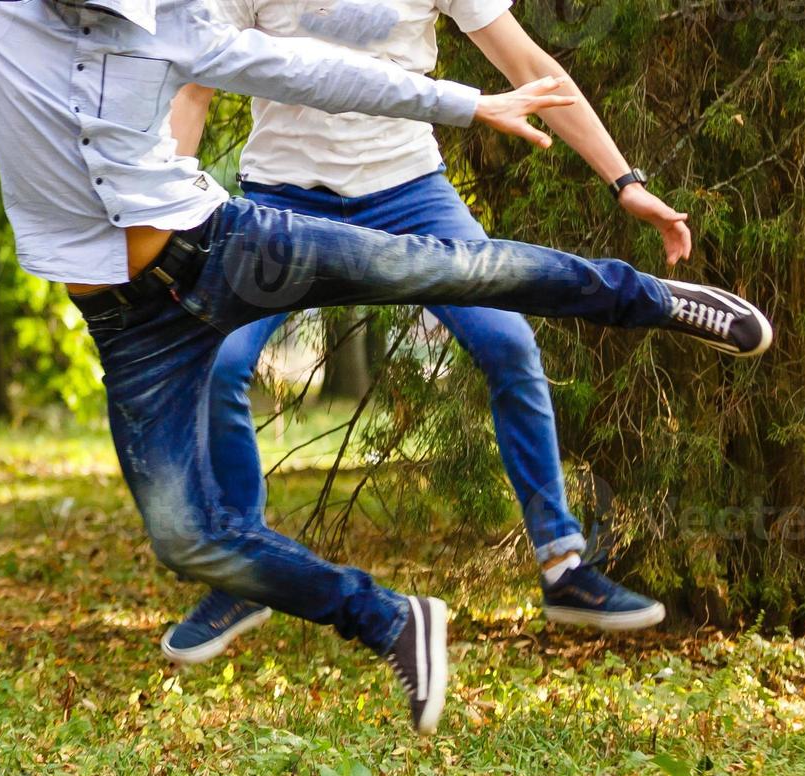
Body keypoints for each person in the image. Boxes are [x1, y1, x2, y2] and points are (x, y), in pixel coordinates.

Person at [0, 0, 769, 733]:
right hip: (130, 326)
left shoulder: (169, 20)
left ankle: (649, 300)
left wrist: (463, 105)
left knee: (452, 270)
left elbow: (305, 69)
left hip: (222, 249)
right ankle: (389, 619)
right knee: (184, 537)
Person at [149, 0, 693, 665]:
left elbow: (527, 65)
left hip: (409, 193)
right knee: (215, 363)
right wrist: (164, 226)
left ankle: (563, 567)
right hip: (281, 201)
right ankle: (245, 570)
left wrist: (625, 182)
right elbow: (195, 83)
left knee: (507, 343)